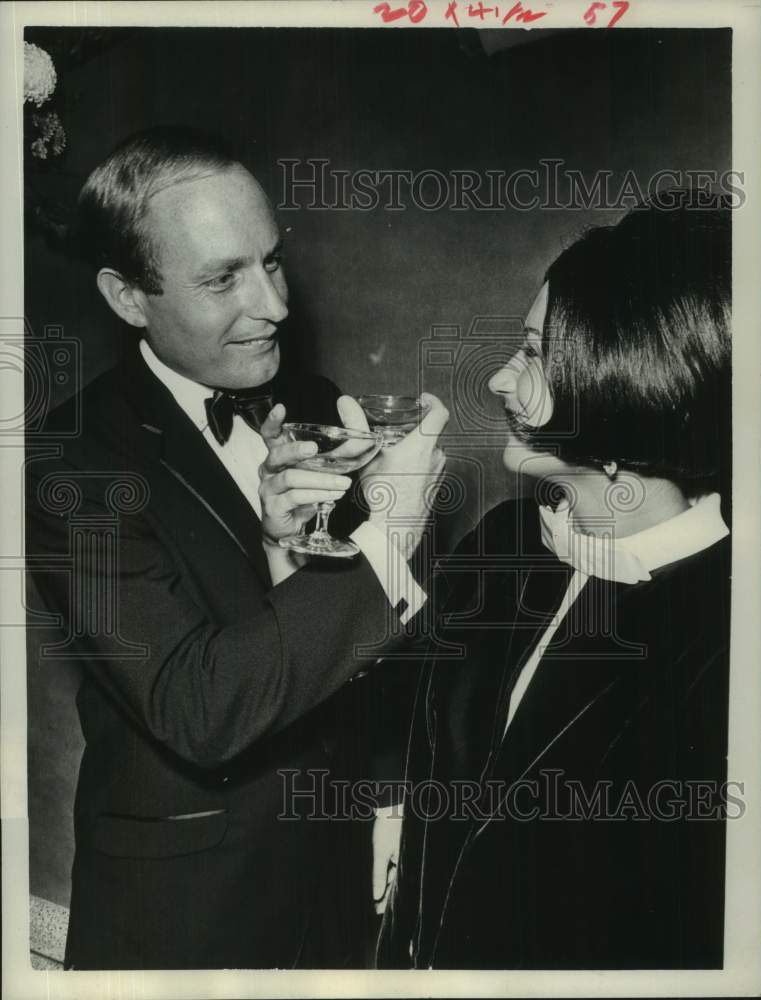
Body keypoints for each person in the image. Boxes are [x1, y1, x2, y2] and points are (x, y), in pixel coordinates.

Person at [25, 126, 448, 970]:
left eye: (273, 262)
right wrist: (393, 533)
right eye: (223, 278)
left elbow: (336, 653)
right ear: (125, 296)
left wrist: (289, 555)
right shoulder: (70, 461)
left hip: (333, 885)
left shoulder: (314, 400)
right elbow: (199, 706)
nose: (276, 306)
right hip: (184, 915)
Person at [376, 200, 732, 969]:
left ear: (627, 388)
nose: (502, 377)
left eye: (535, 355)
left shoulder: (728, 638)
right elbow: (415, 725)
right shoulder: (505, 540)